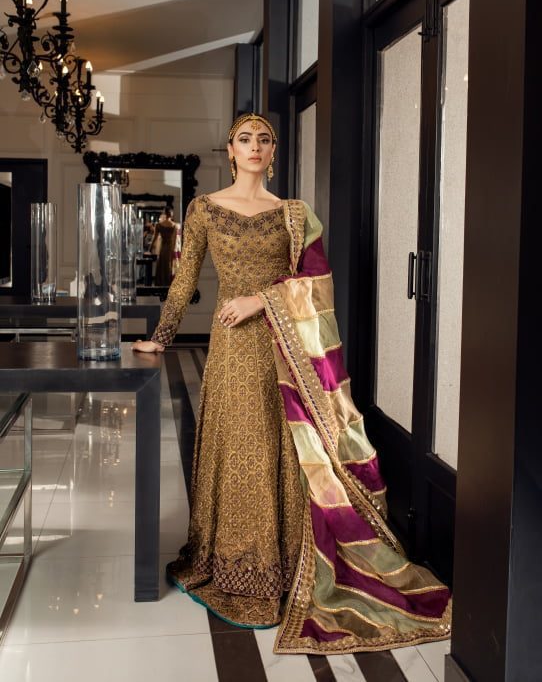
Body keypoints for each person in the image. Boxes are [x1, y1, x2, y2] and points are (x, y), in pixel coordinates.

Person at [133, 113, 451, 654]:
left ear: (274, 152)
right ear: (230, 150)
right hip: (231, 349)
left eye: (264, 140)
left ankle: (282, 565)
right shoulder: (205, 208)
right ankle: (229, 561)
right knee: (238, 446)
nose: (254, 147)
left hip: (283, 350)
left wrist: (261, 300)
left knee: (280, 448)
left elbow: (316, 284)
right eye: (245, 140)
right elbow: (185, 279)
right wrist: (161, 338)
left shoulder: (294, 214)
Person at [149, 207, 177, 285]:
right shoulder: (174, 225)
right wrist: (173, 250)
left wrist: (150, 249)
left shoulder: (159, 225)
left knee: (161, 264)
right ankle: (167, 283)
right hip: (170, 248)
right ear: (171, 214)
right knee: (168, 265)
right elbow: (174, 240)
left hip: (162, 247)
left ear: (164, 214)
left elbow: (154, 238)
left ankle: (160, 283)